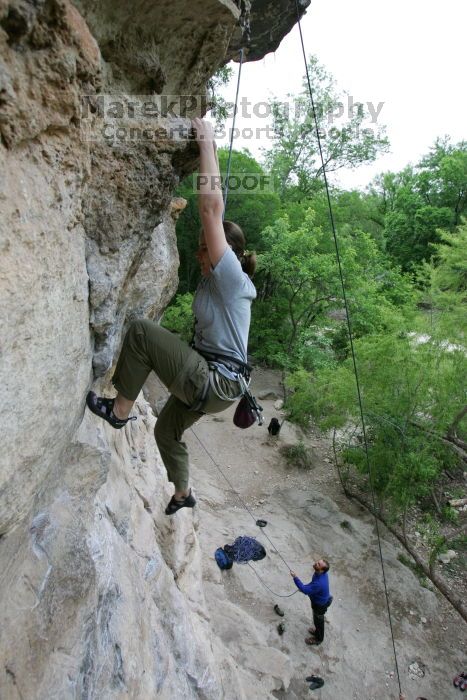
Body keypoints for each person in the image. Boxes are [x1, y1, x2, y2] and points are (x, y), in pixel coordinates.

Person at [86, 118, 257, 515]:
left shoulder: (229, 275)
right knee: (167, 430)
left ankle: (120, 412)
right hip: (221, 386)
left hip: (215, 380)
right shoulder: (220, 285)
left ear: (224, 250)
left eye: (203, 247)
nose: (199, 253)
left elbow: (211, 210)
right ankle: (184, 493)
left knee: (143, 333)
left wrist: (207, 146)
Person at [290, 558, 332, 646]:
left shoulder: (319, 583)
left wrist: (295, 577)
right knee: (317, 619)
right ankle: (317, 631)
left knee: (318, 621)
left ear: (322, 570)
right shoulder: (320, 573)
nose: (316, 563)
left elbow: (305, 590)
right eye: (318, 562)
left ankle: (318, 639)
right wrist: (305, 588)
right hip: (322, 600)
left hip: (320, 605)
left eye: (319, 564)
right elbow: (311, 586)